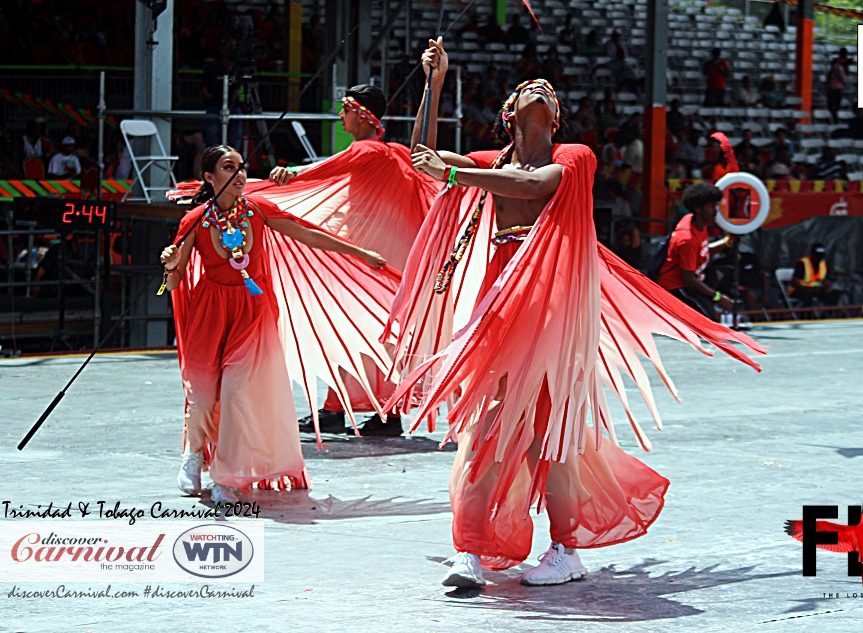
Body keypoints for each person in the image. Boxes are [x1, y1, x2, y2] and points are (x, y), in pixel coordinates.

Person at [393, 38, 763, 589]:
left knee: (553, 433)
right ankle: (471, 549)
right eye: (526, 89)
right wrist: (435, 84)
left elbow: (533, 184)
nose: (539, 88)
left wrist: (456, 176)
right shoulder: (488, 163)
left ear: (556, 118)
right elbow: (423, 162)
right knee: (491, 422)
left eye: (548, 92)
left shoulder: (574, 157)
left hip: (554, 306)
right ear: (508, 114)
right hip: (501, 298)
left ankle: (566, 550)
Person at [160, 145, 389, 503]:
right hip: (210, 312)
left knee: (237, 393)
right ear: (209, 177)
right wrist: (171, 264)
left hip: (252, 312)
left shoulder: (257, 211)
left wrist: (361, 253)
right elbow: (174, 283)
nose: (238, 175)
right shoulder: (195, 220)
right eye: (227, 167)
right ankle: (193, 454)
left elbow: (309, 234)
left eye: (241, 167)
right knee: (203, 396)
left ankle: (225, 475)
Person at [264, 84, 439, 436]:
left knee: (365, 332)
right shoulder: (393, 153)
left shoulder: (371, 151)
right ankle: (338, 408)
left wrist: (291, 174)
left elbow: (326, 167)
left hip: (372, 259)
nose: (340, 116)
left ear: (360, 113)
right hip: (372, 254)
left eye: (344, 110)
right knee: (354, 330)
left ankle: (385, 414)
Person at [655, 182, 734, 319]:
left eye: (715, 205)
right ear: (698, 209)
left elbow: (702, 252)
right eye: (710, 207)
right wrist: (718, 297)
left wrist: (726, 243)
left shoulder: (696, 222)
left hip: (692, 282)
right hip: (676, 288)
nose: (715, 211)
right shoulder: (687, 238)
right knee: (709, 323)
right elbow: (688, 280)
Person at [825, 59, 846, 123]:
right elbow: (827, 81)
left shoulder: (840, 73)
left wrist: (839, 74)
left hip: (838, 90)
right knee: (831, 106)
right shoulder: (830, 73)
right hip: (831, 89)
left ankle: (836, 119)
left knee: (837, 106)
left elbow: (843, 81)